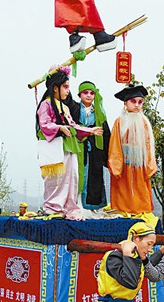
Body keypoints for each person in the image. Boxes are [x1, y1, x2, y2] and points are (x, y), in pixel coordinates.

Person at [36, 66, 101, 220]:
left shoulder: (64, 107)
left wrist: (90, 131)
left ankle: (68, 207)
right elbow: (44, 124)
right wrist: (60, 127)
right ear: (55, 88)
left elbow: (73, 126)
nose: (67, 91)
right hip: (55, 147)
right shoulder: (46, 104)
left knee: (72, 178)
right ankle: (53, 207)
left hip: (69, 146)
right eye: (65, 87)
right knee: (57, 180)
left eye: (68, 87)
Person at [108, 84, 157, 216]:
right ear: (125, 103)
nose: (136, 105)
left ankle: (141, 211)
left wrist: (150, 164)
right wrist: (116, 166)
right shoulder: (120, 122)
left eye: (140, 102)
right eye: (133, 101)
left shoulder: (144, 122)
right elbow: (115, 145)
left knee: (141, 192)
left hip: (140, 166)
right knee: (123, 192)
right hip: (124, 166)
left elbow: (149, 146)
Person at [67, 80, 111, 212]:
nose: (89, 95)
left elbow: (106, 134)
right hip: (77, 148)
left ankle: (93, 208)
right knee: (75, 175)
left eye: (92, 93)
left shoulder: (99, 112)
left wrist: (108, 155)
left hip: (94, 152)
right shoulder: (73, 108)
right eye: (85, 92)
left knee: (95, 176)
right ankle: (75, 205)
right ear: (79, 94)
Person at [97, 222, 159, 301]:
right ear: (136, 238)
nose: (150, 249)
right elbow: (130, 281)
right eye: (149, 244)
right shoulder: (115, 256)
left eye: (152, 245)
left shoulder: (136, 257)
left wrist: (162, 250)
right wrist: (127, 253)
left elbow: (151, 267)